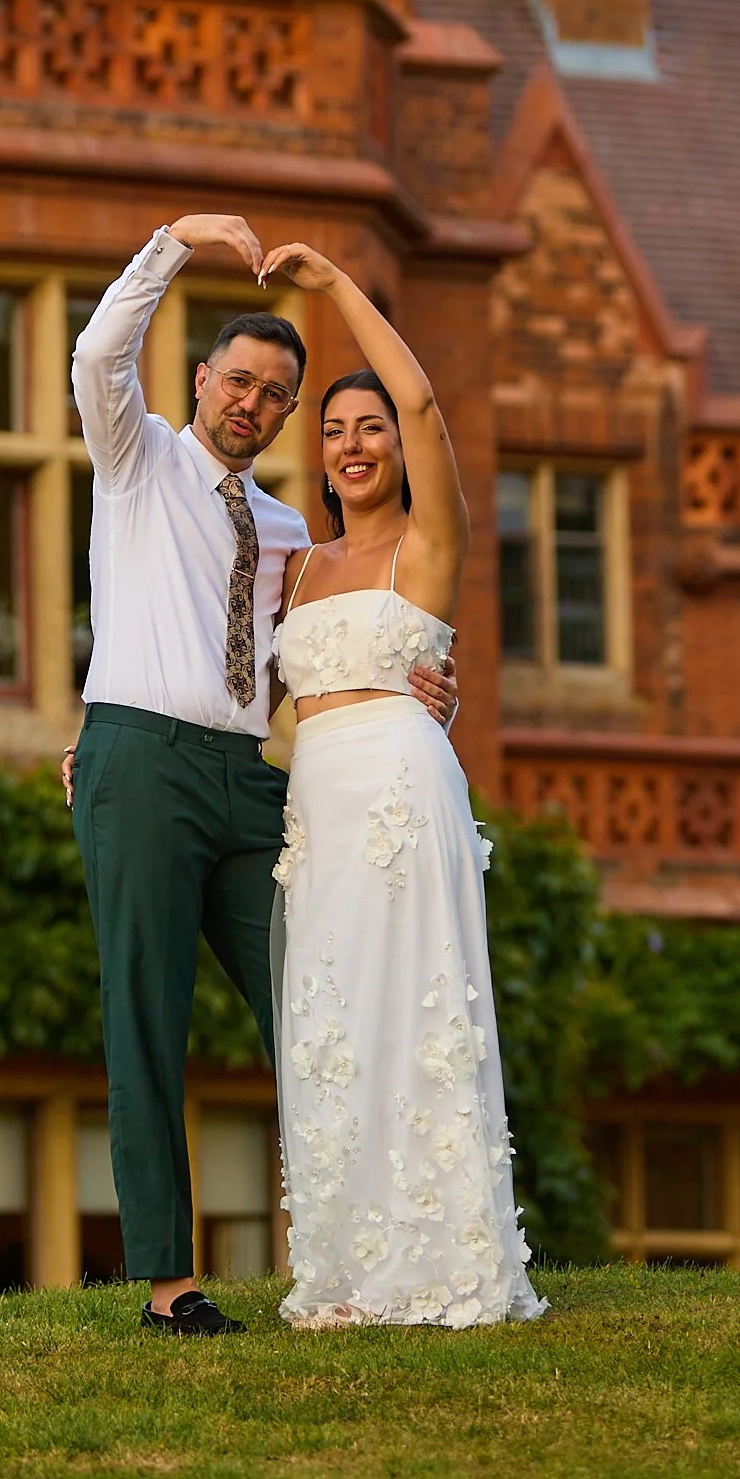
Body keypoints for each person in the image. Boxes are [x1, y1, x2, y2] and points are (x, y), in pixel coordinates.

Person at [66, 216, 458, 1337]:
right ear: (199, 382)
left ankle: (368, 1246)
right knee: (145, 1013)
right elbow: (97, 356)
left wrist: (426, 689)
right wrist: (170, 244)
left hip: (249, 778)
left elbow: (331, 654)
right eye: (236, 381)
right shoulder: (134, 457)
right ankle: (166, 1283)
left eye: (273, 394)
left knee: (315, 1003)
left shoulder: (290, 527)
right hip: (139, 759)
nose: (251, 403)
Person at [261, 237, 548, 1330]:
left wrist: (334, 289)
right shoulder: (300, 566)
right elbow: (268, 708)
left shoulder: (429, 546)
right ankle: (345, 1266)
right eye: (332, 433)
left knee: (408, 1012)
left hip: (397, 789)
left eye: (366, 428)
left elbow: (427, 404)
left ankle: (434, 1260)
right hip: (316, 808)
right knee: (329, 1021)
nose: (351, 446)